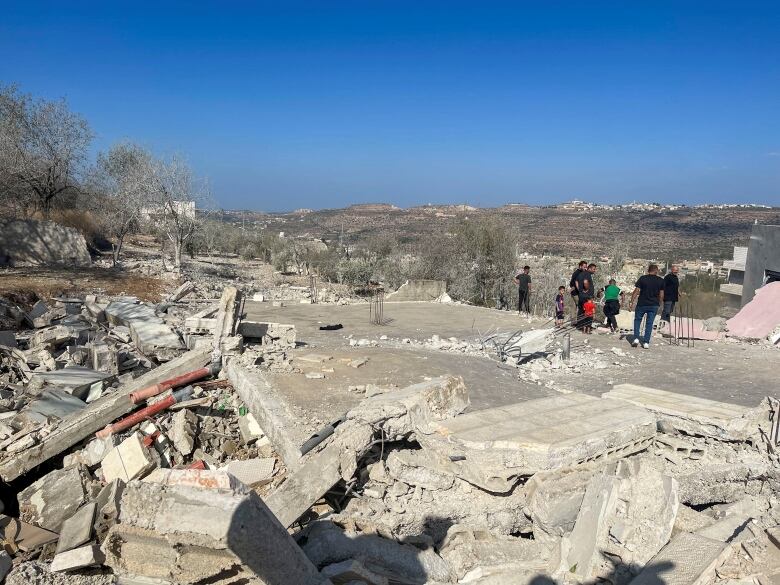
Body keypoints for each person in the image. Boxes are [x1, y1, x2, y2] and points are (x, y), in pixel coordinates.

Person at [629, 263, 665, 349]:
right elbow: (661, 294)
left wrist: (631, 302)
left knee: (637, 321)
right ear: (656, 271)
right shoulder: (660, 280)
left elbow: (636, 291)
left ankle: (636, 338)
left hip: (642, 303)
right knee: (649, 323)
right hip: (653, 305)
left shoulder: (643, 278)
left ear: (648, 270)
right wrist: (660, 303)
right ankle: (646, 342)